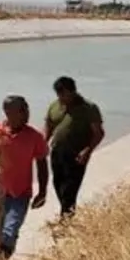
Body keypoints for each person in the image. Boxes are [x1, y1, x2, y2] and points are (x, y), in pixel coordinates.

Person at [0, 95, 49, 260]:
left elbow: (42, 163)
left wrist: (43, 191)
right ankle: (2, 254)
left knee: (11, 230)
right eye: (22, 110)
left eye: (27, 109)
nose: (27, 113)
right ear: (8, 113)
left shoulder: (35, 136)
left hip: (20, 194)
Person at [44, 76, 105, 219]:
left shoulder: (89, 108)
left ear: (73, 91)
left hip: (77, 155)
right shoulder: (55, 105)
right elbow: (49, 126)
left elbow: (99, 133)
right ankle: (67, 213)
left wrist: (87, 151)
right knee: (57, 184)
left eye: (63, 94)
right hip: (57, 152)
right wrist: (41, 145)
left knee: (70, 188)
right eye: (58, 94)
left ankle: (66, 220)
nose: (61, 98)